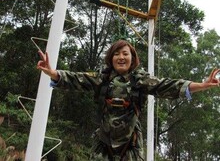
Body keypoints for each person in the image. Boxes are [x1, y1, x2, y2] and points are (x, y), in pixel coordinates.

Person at [37, 40, 220, 161]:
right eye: (116, 54)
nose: (121, 57)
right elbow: (76, 79)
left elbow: (168, 85)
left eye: (125, 53)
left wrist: (202, 85)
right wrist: (52, 73)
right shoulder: (102, 78)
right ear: (111, 58)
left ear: (132, 58)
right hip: (104, 143)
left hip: (130, 145)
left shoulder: (140, 80)